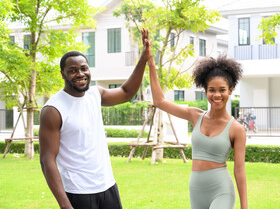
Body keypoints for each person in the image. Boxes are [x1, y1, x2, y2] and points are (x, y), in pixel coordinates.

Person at [39, 28, 151, 209]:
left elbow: (126, 92)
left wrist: (143, 58)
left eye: (84, 68)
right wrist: (65, 206)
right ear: (63, 74)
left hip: (108, 187)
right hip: (78, 193)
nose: (80, 74)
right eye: (73, 70)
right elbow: (47, 160)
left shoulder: (94, 94)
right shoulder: (53, 110)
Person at [144, 29, 248, 209]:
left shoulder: (236, 129)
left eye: (222, 90)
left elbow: (239, 171)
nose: (217, 95)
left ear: (230, 90)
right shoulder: (195, 116)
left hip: (221, 190)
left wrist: (244, 207)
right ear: (205, 90)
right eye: (212, 90)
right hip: (196, 190)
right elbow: (159, 101)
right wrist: (151, 61)